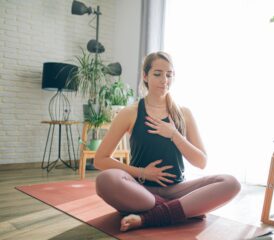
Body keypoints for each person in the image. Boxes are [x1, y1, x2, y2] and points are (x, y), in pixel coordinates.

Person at [94, 51, 241, 232]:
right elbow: (100, 159)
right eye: (158, 74)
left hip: (177, 189)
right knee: (105, 180)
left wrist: (174, 135)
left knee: (231, 183)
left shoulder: (184, 114)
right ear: (145, 76)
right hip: (140, 190)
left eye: (169, 75)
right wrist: (142, 173)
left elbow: (201, 162)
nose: (164, 80)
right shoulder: (130, 113)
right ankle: (179, 209)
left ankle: (149, 217)